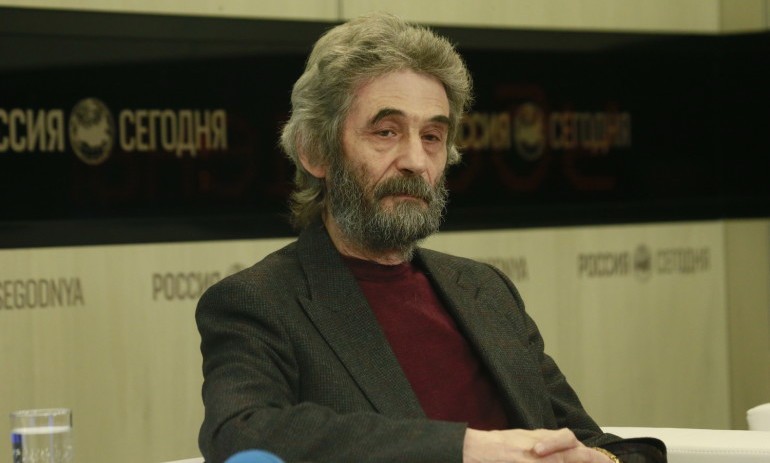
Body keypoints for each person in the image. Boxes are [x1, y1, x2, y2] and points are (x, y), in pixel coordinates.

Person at [196, 12, 664, 463]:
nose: (416, 162)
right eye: (386, 132)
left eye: (433, 137)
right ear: (315, 151)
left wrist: (602, 459)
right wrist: (465, 449)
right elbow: (241, 434)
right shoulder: (259, 302)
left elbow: (587, 439)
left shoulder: (486, 291)